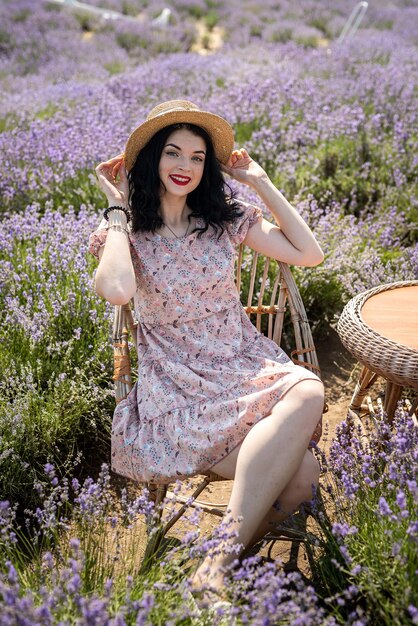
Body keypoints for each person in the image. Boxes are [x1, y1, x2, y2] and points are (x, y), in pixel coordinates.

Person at [89, 99, 325, 601]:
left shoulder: (225, 221)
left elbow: (309, 254)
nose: (185, 167)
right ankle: (222, 565)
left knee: (307, 392)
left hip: (243, 366)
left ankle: (214, 563)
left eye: (197, 157)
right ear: (151, 159)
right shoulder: (125, 234)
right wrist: (117, 209)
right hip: (178, 386)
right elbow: (114, 290)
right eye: (173, 153)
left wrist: (258, 180)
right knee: (302, 475)